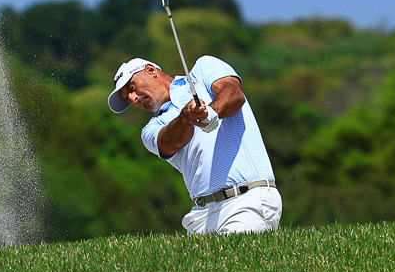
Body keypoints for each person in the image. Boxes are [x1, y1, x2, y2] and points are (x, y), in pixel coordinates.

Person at [107, 55, 281, 235]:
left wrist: (213, 111)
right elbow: (171, 142)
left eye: (132, 88)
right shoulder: (151, 130)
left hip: (246, 199)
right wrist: (186, 117)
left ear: (151, 70)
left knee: (232, 261)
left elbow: (234, 93)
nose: (134, 98)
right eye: (128, 99)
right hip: (200, 216)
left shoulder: (202, 70)